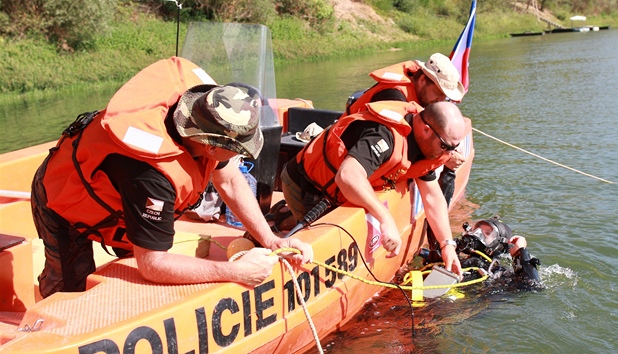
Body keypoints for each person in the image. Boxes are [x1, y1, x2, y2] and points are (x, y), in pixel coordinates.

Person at [31, 57, 313, 299]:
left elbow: (229, 180)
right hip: (64, 198)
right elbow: (153, 264)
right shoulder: (151, 176)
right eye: (236, 150)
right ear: (211, 147)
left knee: (136, 273)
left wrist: (271, 240)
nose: (239, 157)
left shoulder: (203, 117)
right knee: (69, 287)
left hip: (122, 199)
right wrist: (233, 272)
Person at [281, 100, 467, 276]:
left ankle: (282, 215)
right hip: (306, 185)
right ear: (426, 130)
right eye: (445, 146)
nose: (449, 154)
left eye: (454, 147)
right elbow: (347, 176)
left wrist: (447, 245)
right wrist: (385, 219)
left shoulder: (425, 144)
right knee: (314, 252)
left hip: (340, 191)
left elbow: (433, 197)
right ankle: (281, 220)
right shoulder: (383, 136)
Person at [344, 53, 467, 206]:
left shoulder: (421, 100)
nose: (440, 102)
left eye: (445, 98)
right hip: (351, 160)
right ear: (422, 80)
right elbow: (409, 142)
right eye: (438, 94)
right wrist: (445, 156)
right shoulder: (393, 97)